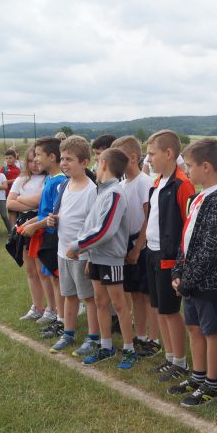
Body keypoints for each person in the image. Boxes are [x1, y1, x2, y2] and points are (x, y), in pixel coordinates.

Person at [167, 139, 217, 406]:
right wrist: (178, 270)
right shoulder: (198, 197)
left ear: (206, 166)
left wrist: (188, 279)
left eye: (190, 165)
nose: (187, 170)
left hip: (207, 281)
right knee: (193, 327)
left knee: (210, 330)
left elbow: (211, 247)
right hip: (190, 280)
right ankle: (198, 376)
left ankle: (212, 384)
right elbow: (187, 239)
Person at [72, 148, 136, 367]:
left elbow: (105, 230)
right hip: (97, 257)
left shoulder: (115, 193)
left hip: (111, 259)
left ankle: (129, 349)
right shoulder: (102, 191)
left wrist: (78, 246)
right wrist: (89, 254)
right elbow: (91, 224)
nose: (95, 168)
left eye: (97, 162)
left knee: (119, 304)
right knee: (100, 301)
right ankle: (106, 346)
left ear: (105, 164)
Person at [142, 130, 196, 381]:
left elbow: (188, 225)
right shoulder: (157, 183)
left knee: (171, 311)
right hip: (152, 252)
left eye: (152, 154)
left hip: (169, 257)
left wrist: (181, 263)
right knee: (159, 309)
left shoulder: (182, 184)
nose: (148, 159)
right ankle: (170, 356)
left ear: (169, 153)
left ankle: (180, 362)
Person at [45, 136, 99, 356]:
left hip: (81, 255)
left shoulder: (92, 190)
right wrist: (53, 220)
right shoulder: (65, 185)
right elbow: (63, 213)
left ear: (84, 162)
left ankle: (93, 337)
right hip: (63, 251)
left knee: (88, 297)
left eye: (69, 159)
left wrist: (89, 256)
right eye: (62, 159)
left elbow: (94, 227)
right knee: (68, 294)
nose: (64, 163)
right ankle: (68, 333)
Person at [112, 136, 161, 357]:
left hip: (142, 247)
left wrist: (137, 247)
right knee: (135, 294)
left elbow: (148, 218)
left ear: (133, 157)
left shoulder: (144, 182)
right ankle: (140, 335)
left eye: (120, 157)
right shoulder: (122, 184)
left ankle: (154, 338)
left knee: (148, 295)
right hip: (127, 245)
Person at [19, 137, 68, 338]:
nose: (36, 159)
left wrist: (35, 225)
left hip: (54, 238)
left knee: (57, 279)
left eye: (39, 155)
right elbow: (43, 211)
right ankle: (58, 316)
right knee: (51, 277)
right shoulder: (49, 179)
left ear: (52, 157)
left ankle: (61, 318)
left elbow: (56, 215)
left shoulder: (59, 182)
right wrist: (29, 223)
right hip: (45, 235)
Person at [8, 147, 54, 322]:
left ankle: (52, 308)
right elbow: (9, 204)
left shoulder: (48, 179)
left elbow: (40, 202)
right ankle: (37, 306)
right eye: (29, 161)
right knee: (30, 270)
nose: (34, 164)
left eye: (36, 160)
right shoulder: (20, 180)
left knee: (43, 270)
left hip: (39, 223)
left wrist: (20, 199)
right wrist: (28, 203)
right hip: (24, 224)